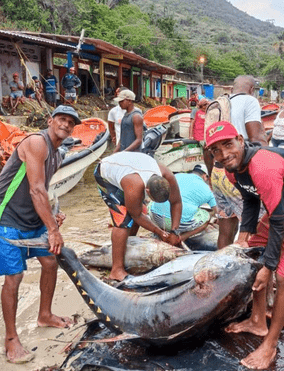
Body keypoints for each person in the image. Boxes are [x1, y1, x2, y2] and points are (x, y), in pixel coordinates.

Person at [206, 122, 284, 369]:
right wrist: (245, 235)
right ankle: (258, 321)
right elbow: (250, 200)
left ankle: (270, 345)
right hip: (283, 205)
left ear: (240, 140)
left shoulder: (262, 166)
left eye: (228, 144)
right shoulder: (231, 168)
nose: (224, 154)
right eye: (216, 150)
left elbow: (278, 221)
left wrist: (269, 266)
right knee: (249, 255)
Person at [0, 105, 80, 363]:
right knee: (14, 276)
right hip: (8, 217)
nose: (66, 125)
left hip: (32, 219)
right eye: (62, 119)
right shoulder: (37, 142)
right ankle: (11, 339)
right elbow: (35, 190)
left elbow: (44, 190)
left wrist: (53, 214)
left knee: (50, 261)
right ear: (50, 120)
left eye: (71, 122)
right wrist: (53, 230)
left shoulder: (56, 154)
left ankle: (44, 314)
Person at [94, 151, 182, 281]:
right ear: (147, 191)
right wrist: (159, 232)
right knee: (123, 220)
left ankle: (127, 245)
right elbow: (136, 215)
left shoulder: (167, 175)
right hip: (105, 175)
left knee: (140, 209)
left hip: (129, 168)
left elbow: (176, 202)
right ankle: (116, 270)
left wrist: (175, 231)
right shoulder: (135, 184)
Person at [206, 75, 267, 249]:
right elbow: (256, 138)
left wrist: (211, 175)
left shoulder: (219, 103)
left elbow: (206, 146)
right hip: (237, 171)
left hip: (218, 172)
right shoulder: (250, 101)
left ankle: (221, 268)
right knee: (256, 227)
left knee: (225, 229)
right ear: (252, 89)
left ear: (232, 88)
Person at [148, 164, 216, 240]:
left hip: (156, 217)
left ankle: (161, 232)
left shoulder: (177, 175)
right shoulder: (208, 190)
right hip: (178, 224)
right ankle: (180, 238)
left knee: (152, 203)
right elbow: (219, 212)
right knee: (206, 216)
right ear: (205, 176)